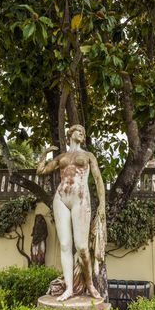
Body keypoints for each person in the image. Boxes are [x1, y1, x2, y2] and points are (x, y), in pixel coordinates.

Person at [37, 124, 106, 301]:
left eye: (84, 132)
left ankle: (90, 284)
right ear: (70, 134)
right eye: (79, 131)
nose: (82, 134)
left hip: (80, 198)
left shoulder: (88, 156)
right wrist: (44, 154)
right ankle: (69, 288)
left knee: (82, 247)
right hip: (61, 198)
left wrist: (102, 205)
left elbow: (98, 179)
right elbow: (41, 171)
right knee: (66, 245)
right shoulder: (62, 157)